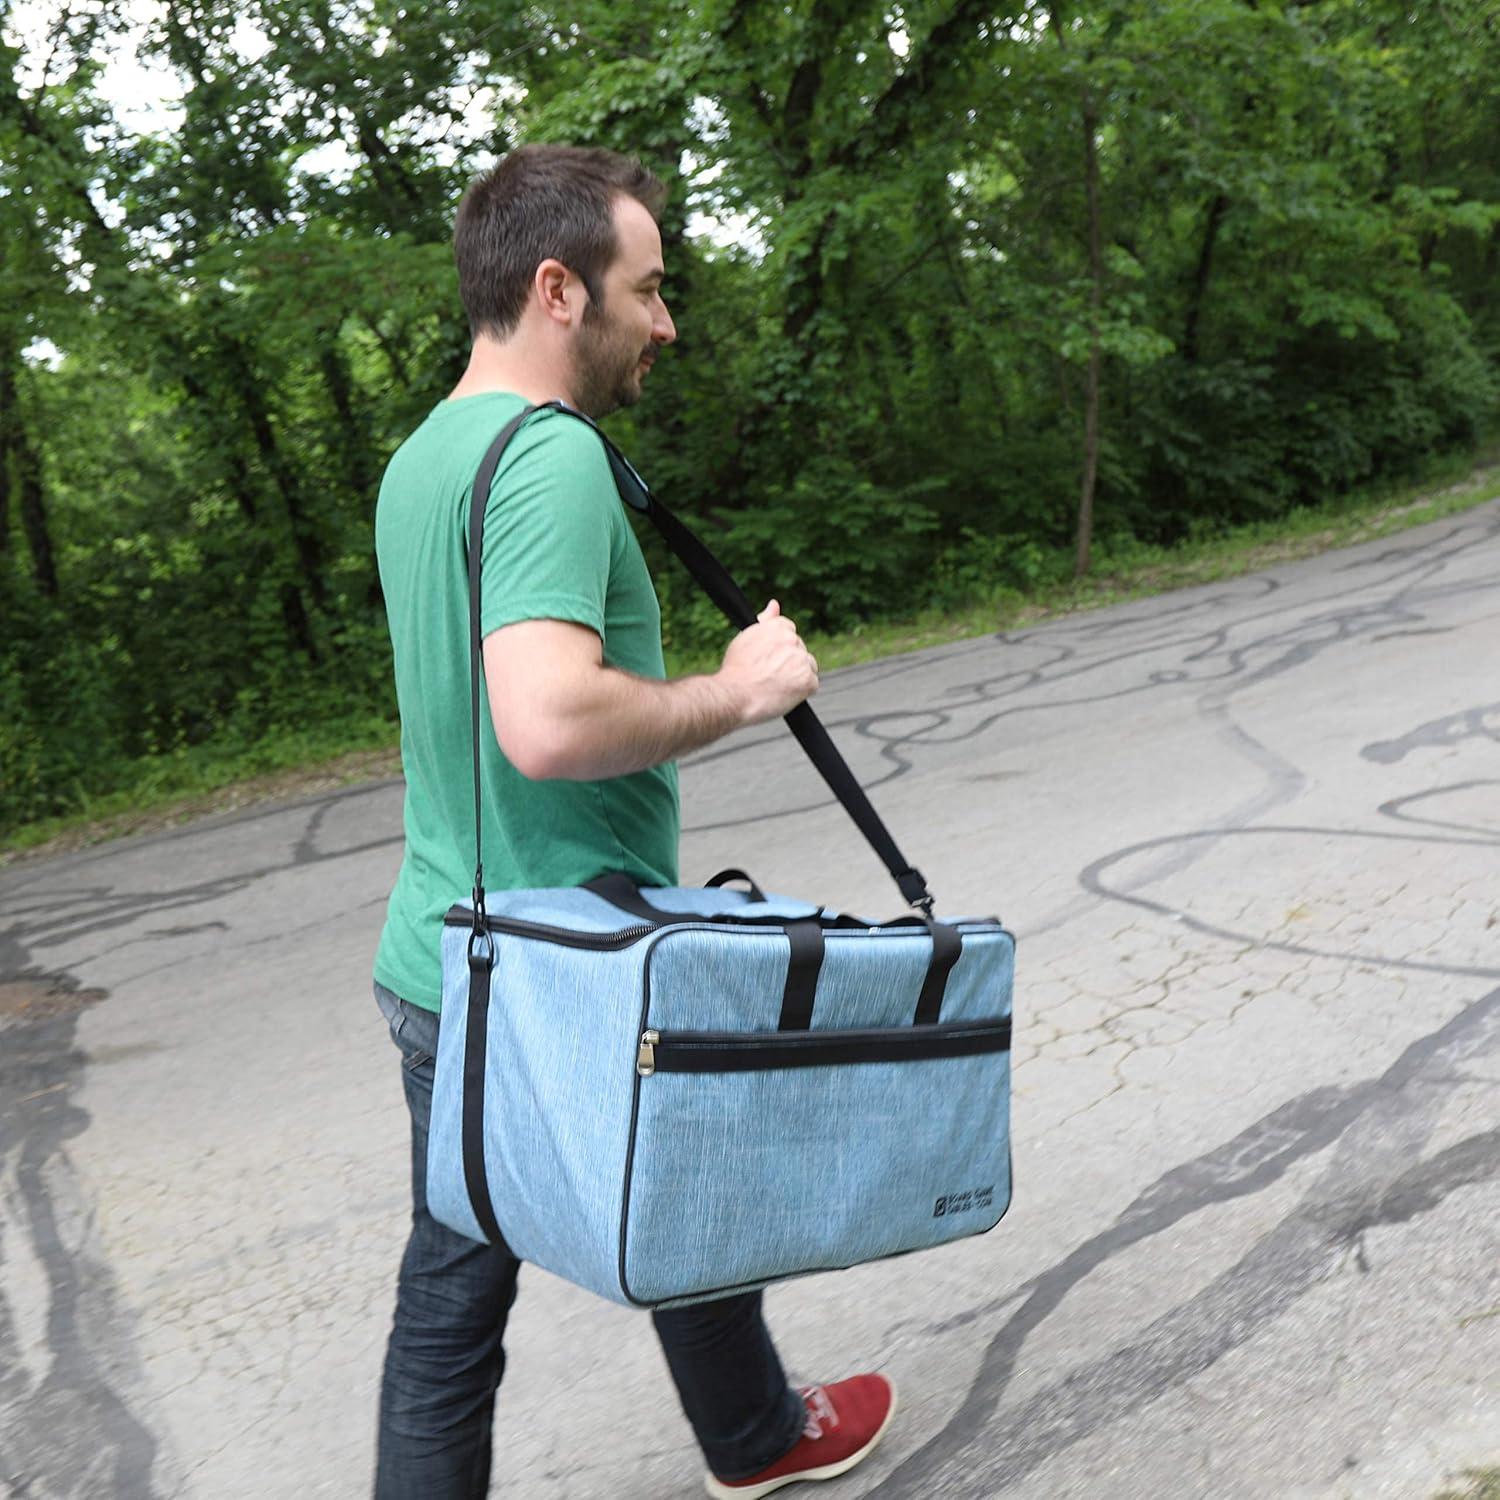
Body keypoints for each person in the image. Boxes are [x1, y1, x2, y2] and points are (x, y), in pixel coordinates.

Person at [370, 143, 896, 1498]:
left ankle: (756, 1433)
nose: (666, 323)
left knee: (667, 1181)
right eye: (649, 290)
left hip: (450, 953)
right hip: (559, 968)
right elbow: (545, 722)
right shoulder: (551, 461)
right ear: (559, 290)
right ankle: (759, 1433)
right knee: (475, 1299)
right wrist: (738, 691)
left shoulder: (425, 456)